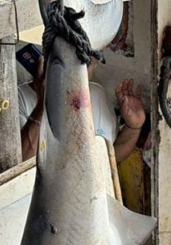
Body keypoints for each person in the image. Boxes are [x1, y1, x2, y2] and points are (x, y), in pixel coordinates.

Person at [17, 53, 148, 164]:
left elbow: (110, 158)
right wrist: (46, 101)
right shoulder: (18, 98)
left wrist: (133, 127)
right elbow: (22, 164)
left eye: (90, 63)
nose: (88, 68)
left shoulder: (96, 93)